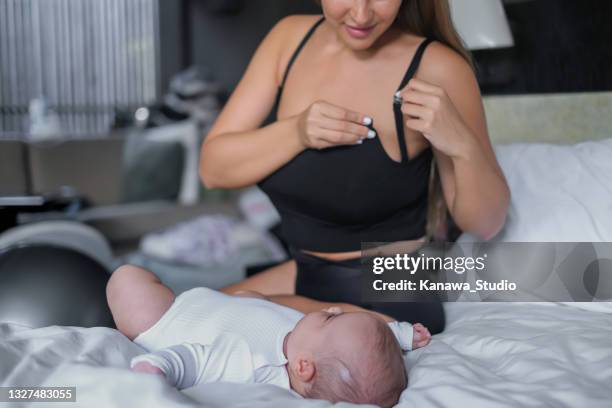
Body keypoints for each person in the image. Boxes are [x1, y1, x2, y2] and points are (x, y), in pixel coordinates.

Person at [198, 0, 510, 334]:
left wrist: (462, 146)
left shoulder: (437, 68)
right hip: (308, 276)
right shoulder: (288, 40)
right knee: (180, 314)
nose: (361, 14)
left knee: (209, 323)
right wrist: (297, 132)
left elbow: (486, 223)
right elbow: (213, 169)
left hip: (392, 293)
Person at [107, 265, 431, 407]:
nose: (333, 310)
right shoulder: (311, 344)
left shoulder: (253, 364)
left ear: (304, 367)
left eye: (331, 321)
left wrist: (156, 367)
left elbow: (190, 358)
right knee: (253, 296)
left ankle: (137, 325)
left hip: (170, 317)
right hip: (234, 308)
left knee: (127, 279)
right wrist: (401, 335)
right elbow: (365, 342)